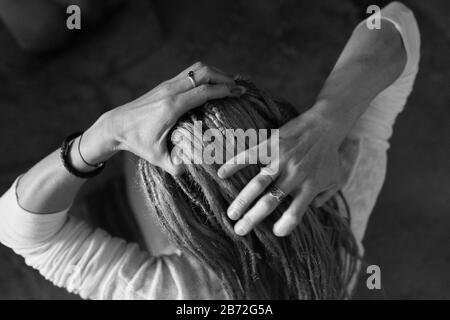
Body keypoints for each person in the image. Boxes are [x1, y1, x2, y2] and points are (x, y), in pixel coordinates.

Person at [0, 2, 420, 299]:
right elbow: (395, 22)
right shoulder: (340, 204)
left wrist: (107, 131)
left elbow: (17, 226)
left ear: (175, 218)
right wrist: (327, 122)